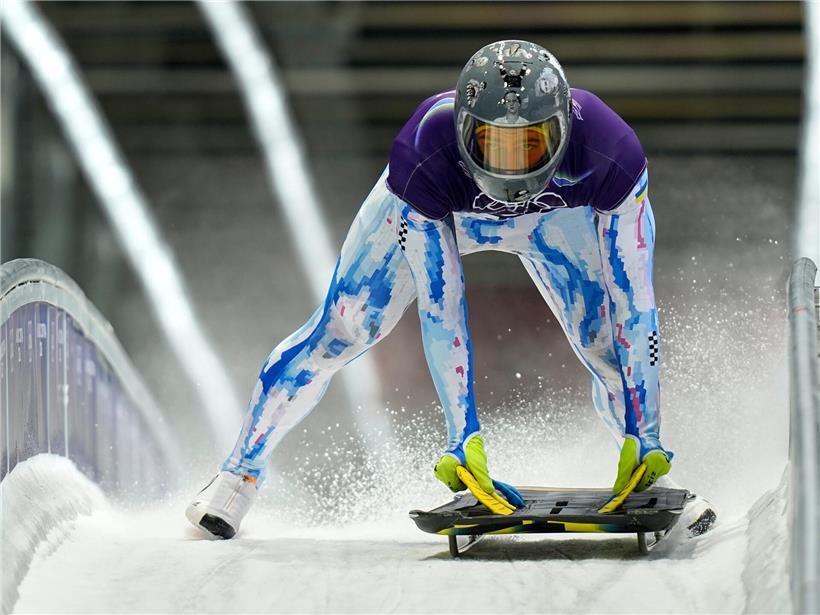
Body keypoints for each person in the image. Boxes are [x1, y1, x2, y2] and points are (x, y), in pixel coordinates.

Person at [186, 40, 689, 539]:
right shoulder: (425, 149)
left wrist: (647, 433)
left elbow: (635, 304)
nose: (511, 167)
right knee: (345, 327)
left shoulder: (612, 152)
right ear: (463, 129)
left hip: (551, 217)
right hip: (452, 209)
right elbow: (441, 305)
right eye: (493, 144)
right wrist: (462, 436)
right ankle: (239, 474)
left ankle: (649, 466)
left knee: (605, 343)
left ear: (564, 130)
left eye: (529, 144)